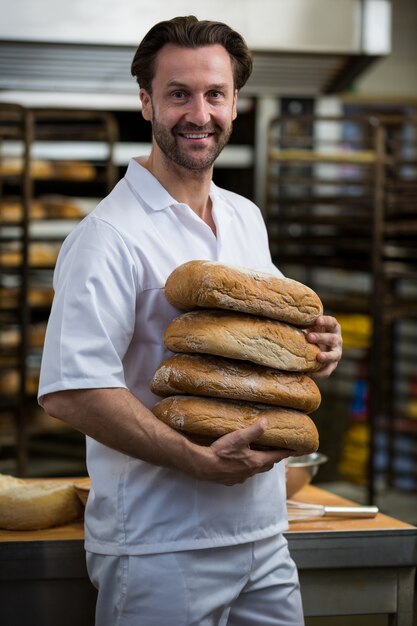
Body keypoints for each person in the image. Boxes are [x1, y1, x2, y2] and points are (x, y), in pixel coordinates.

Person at [38, 16, 342, 626]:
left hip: (263, 535)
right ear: (146, 102)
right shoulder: (107, 235)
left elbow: (264, 343)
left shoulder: (244, 217)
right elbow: (72, 390)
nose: (198, 113)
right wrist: (192, 457)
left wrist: (315, 346)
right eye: (178, 94)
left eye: (214, 95)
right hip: (160, 544)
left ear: (237, 104)